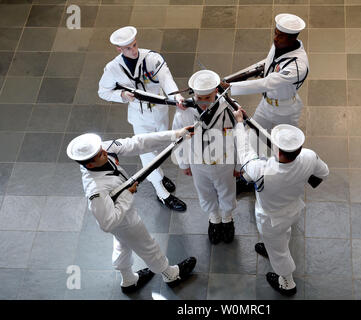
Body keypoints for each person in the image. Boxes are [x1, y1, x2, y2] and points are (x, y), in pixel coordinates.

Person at [66, 129, 197, 293]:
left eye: (102, 149)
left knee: (123, 245)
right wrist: (127, 194)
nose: (105, 152)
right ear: (89, 164)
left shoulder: (102, 151)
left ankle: (128, 281)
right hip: (124, 221)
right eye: (100, 154)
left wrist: (174, 134)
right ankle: (170, 275)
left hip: (122, 217)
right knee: (148, 246)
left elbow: (138, 142)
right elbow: (107, 223)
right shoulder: (95, 189)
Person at [233, 107, 329, 296]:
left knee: (280, 254)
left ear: (276, 150)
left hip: (271, 220)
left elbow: (245, 153)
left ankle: (287, 281)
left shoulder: (261, 170)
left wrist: (238, 123)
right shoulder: (308, 156)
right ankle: (274, 246)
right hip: (292, 210)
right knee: (281, 237)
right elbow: (324, 173)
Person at [98, 26, 186, 212]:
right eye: (128, 48)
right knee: (147, 152)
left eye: (135, 45)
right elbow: (103, 91)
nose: (134, 50)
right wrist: (121, 95)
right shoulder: (113, 68)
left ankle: (159, 175)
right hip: (140, 115)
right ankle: (162, 192)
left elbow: (166, 79)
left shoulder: (152, 58)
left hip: (160, 111)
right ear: (119, 50)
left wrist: (176, 96)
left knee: (160, 146)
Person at [172, 70, 239, 245]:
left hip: (224, 161)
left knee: (227, 190)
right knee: (205, 192)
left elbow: (240, 139)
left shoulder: (230, 109)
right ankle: (214, 219)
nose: (202, 103)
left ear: (216, 92)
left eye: (207, 97)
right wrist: (184, 163)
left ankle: (227, 218)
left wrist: (238, 166)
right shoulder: (184, 113)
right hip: (198, 163)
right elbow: (179, 140)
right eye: (198, 97)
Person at [223, 13, 309, 130]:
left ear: (292, 39)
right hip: (265, 105)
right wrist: (234, 77)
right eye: (275, 33)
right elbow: (267, 62)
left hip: (285, 112)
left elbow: (266, 83)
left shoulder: (298, 66)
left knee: (286, 142)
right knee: (253, 133)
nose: (275, 38)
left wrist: (229, 87)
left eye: (280, 36)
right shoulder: (279, 45)